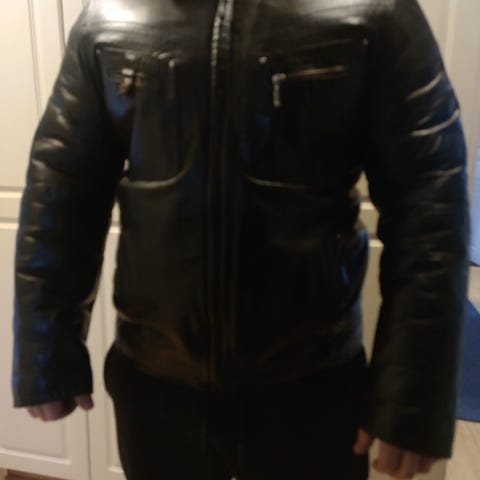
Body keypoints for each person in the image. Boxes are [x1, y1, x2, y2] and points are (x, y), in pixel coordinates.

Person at [12, 0, 470, 479]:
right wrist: (45, 350)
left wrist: (415, 395)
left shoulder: (376, 10)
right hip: (155, 391)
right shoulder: (111, 14)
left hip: (313, 394)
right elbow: (62, 189)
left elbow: (431, 206)